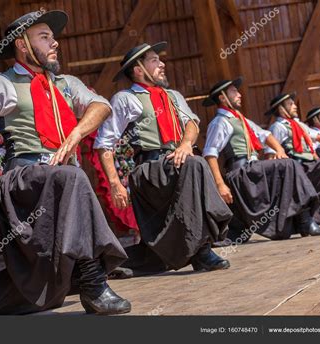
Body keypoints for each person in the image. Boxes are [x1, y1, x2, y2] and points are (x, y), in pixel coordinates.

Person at [0, 10, 131, 316]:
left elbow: (100, 105)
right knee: (72, 177)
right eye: (45, 37)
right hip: (22, 182)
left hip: (60, 184)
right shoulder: (1, 86)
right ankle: (92, 281)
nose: (55, 43)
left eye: (53, 37)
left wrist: (75, 134)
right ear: (22, 44)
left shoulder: (66, 83)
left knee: (45, 291)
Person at [94, 42, 233, 277]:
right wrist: (116, 184)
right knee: (195, 164)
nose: (162, 64)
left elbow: (192, 123)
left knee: (192, 163)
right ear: (138, 69)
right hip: (149, 170)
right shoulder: (125, 99)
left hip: (179, 163)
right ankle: (202, 249)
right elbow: (103, 144)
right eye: (155, 60)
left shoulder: (173, 96)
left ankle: (195, 247)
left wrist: (186, 143)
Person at [202, 78, 320, 241]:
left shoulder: (240, 119)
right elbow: (210, 153)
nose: (239, 94)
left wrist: (280, 150)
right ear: (222, 97)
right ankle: (304, 221)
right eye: (234, 91)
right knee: (288, 165)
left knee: (287, 167)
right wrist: (220, 185)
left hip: (251, 168)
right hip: (239, 173)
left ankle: (298, 220)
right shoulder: (220, 122)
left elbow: (265, 135)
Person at [265, 93, 320, 224]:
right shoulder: (277, 127)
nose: (295, 106)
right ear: (281, 108)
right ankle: (313, 218)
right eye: (291, 104)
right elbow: (270, 155)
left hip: (309, 164)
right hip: (297, 167)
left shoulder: (297, 124)